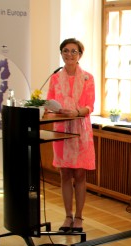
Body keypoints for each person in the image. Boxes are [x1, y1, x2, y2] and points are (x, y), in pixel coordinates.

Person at [46, 37, 95, 233]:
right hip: (61, 128)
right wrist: (56, 111)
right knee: (65, 173)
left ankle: (79, 217)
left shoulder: (88, 78)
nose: (69, 55)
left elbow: (90, 106)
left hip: (81, 129)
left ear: (80, 55)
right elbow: (50, 101)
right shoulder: (55, 78)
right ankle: (67, 217)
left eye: (74, 51)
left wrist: (76, 112)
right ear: (61, 54)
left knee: (80, 174)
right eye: (66, 51)